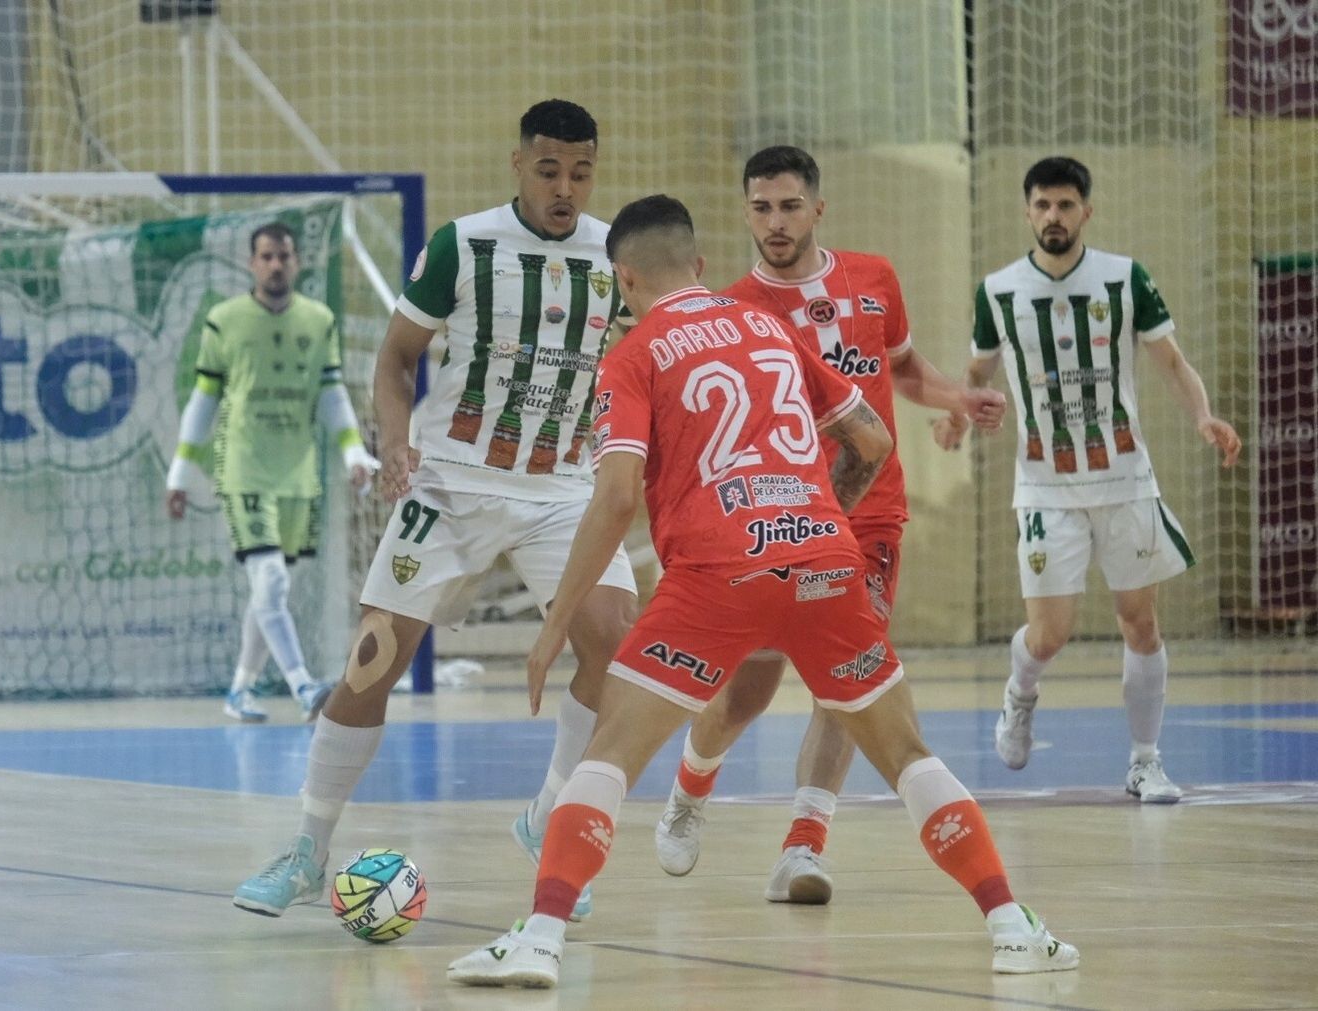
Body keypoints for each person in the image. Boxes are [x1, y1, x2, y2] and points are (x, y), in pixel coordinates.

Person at [448, 194, 1079, 988]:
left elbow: (614, 497)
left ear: (624, 278)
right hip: (824, 558)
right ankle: (1013, 925)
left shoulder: (635, 353)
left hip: (715, 571)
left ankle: (539, 938)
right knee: (909, 755)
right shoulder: (770, 326)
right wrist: (818, 516)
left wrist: (553, 628)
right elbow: (876, 440)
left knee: (607, 757)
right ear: (703, 266)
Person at [231, 99, 637, 921]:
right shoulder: (462, 244)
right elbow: (396, 360)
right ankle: (309, 848)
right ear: (518, 164)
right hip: (453, 480)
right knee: (373, 658)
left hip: (562, 490)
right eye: (551, 170)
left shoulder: (615, 255)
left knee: (618, 655)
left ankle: (548, 817)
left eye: (582, 172)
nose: (567, 188)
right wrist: (395, 443)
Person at [651, 146, 1007, 904]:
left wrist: (955, 400)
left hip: (868, 511)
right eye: (760, 207)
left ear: (818, 208)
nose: (774, 222)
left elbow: (902, 368)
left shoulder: (873, 278)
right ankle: (688, 791)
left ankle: (803, 848)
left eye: (787, 206)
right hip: (773, 515)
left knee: (845, 683)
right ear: (745, 211)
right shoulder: (731, 307)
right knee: (746, 693)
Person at [932, 156, 1240, 802]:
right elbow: (978, 374)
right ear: (1027, 212)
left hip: (1126, 478)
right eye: (1042, 205)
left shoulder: (1125, 280)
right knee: (1049, 634)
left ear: (1086, 212)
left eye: (1065, 205)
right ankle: (1020, 693)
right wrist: (960, 416)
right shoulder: (998, 291)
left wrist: (1204, 415)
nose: (1053, 216)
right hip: (1046, 485)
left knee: (1141, 623)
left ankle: (1145, 760)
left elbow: (1173, 361)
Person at [166, 222, 378, 723]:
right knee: (272, 584)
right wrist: (179, 472)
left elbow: (331, 394)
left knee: (270, 591)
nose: (276, 264)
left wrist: (352, 452)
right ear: (251, 263)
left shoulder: (319, 320)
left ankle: (239, 690)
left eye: (284, 255)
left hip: (298, 476)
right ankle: (304, 687)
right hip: (243, 469)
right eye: (266, 256)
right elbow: (204, 398)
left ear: (297, 261)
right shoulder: (224, 320)